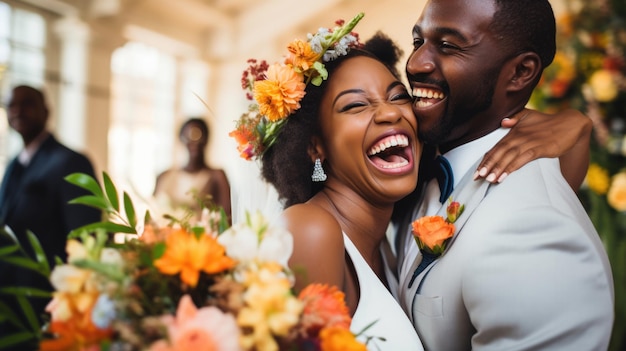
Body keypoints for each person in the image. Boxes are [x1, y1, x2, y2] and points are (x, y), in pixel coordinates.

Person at [230, 13, 593, 350]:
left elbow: (538, 194)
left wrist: (576, 125)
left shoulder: (395, 233)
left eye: (398, 96)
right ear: (315, 147)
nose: (389, 112)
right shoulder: (312, 230)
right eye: (356, 106)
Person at [394, 0, 614, 350]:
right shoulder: (422, 171)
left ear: (521, 73)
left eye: (449, 45)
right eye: (418, 41)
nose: (415, 63)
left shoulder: (532, 231)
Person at [0, 85, 102, 349]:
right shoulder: (13, 164)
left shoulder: (70, 161)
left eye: (27, 103)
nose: (18, 111)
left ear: (46, 110)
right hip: (9, 302)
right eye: (12, 105)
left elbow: (85, 238)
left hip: (44, 302)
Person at [154, 117, 231, 221]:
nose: (195, 143)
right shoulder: (164, 175)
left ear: (207, 139)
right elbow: (150, 212)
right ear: (181, 138)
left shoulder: (217, 176)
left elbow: (227, 218)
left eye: (199, 136)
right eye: (189, 137)